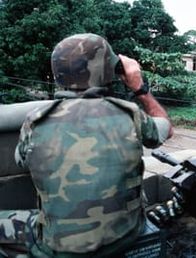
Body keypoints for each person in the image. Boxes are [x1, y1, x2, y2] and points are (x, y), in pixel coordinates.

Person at [0, 33, 172, 257]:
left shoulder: (36, 122)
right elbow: (166, 127)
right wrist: (140, 87)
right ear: (109, 70)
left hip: (57, 248)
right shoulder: (130, 115)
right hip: (126, 235)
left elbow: (20, 160)